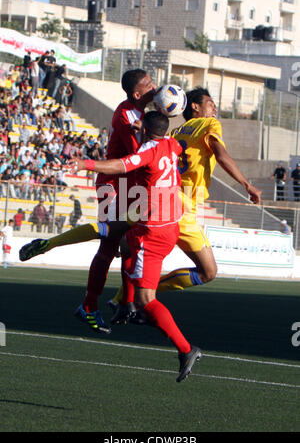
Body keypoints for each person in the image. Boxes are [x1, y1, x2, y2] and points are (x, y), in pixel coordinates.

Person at [20, 111, 202, 382]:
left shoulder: (149, 150)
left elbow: (120, 165)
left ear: (144, 132)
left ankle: (186, 348)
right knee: (116, 239)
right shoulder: (171, 145)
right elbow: (177, 144)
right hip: (167, 222)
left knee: (144, 296)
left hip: (149, 228)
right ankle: (121, 303)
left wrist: (85, 163)